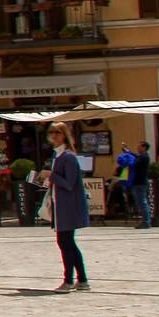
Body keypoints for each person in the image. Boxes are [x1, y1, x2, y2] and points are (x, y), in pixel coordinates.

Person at [46, 123, 90, 291]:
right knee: (68, 243)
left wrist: (51, 175)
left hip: (68, 206)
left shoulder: (68, 157)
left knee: (65, 243)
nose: (54, 135)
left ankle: (69, 280)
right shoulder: (58, 156)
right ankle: (82, 280)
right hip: (60, 205)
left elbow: (69, 183)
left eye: (57, 132)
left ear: (64, 135)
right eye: (51, 132)